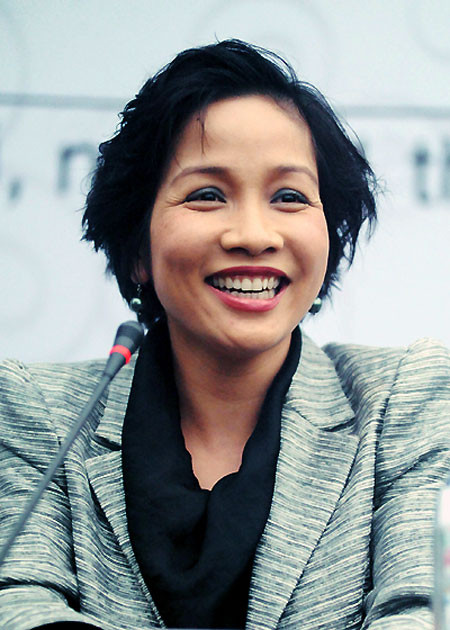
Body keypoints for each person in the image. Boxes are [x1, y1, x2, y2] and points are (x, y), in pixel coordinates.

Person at [0, 39, 448, 630]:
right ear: (138, 248)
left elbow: (422, 613)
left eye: (289, 197)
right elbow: (18, 604)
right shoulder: (37, 411)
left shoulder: (404, 401)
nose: (254, 235)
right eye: (207, 195)